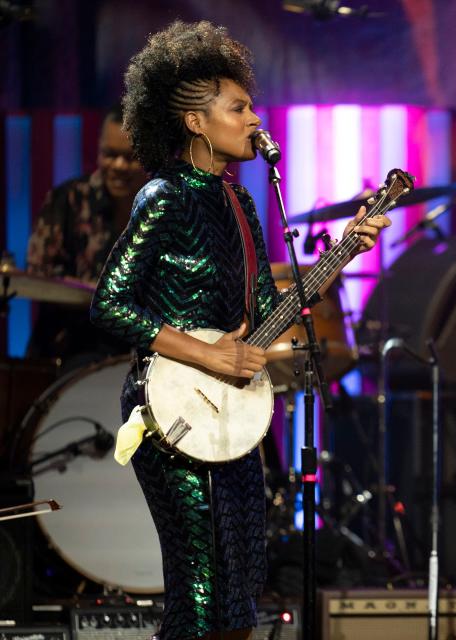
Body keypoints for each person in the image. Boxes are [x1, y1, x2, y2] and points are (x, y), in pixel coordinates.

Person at [90, 21, 390, 640]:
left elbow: (268, 310)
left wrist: (342, 255)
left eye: (252, 106)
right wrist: (205, 352)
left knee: (237, 595)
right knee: (199, 593)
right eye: (239, 108)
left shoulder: (242, 203)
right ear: (197, 122)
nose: (256, 119)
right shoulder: (163, 197)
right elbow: (110, 304)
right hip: (169, 410)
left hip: (228, 415)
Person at [25, 105, 148, 364]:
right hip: (74, 346)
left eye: (130, 157)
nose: (119, 166)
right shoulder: (67, 200)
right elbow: (39, 275)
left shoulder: (162, 209)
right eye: (109, 155)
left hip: (141, 350)